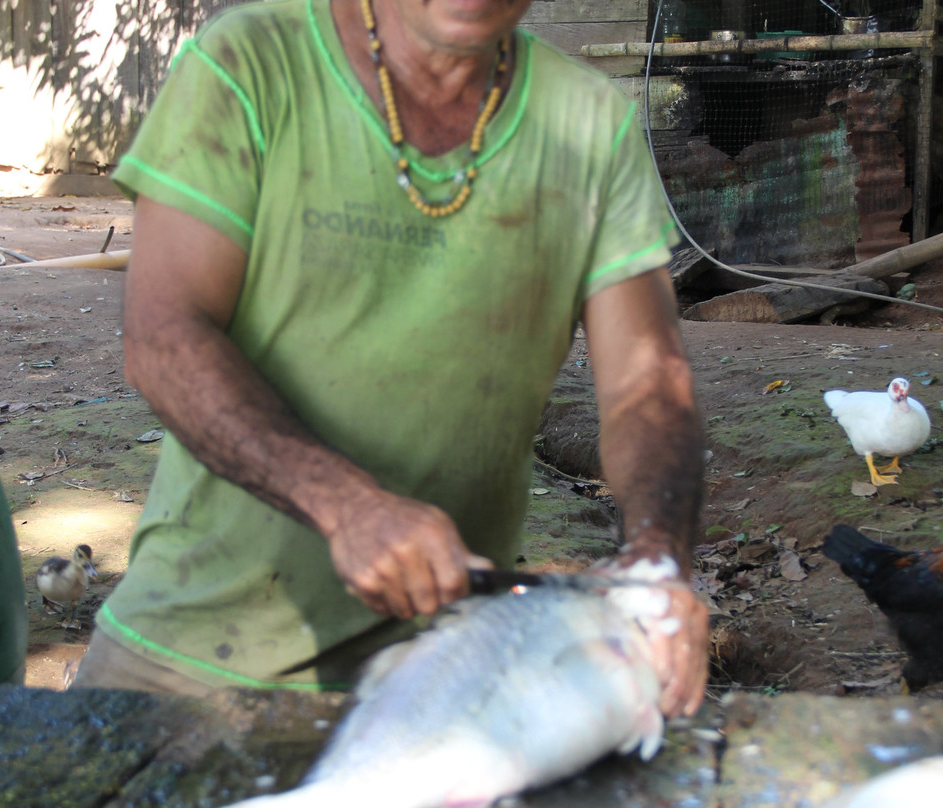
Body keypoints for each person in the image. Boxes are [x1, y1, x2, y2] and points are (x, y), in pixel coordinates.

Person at [74, 0, 710, 719]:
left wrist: (659, 560)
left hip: (443, 675)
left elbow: (647, 390)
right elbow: (163, 336)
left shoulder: (593, 125)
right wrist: (346, 506)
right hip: (188, 655)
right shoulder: (249, 64)